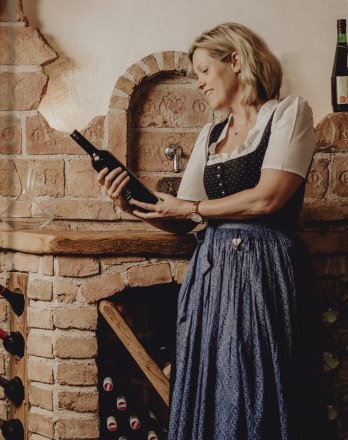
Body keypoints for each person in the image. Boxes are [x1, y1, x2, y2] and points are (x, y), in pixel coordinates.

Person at [98, 23, 326, 439]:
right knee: (212, 385)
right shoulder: (211, 135)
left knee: (260, 385)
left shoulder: (288, 114)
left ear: (235, 61)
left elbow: (268, 198)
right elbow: (182, 219)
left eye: (204, 70)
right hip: (212, 275)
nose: (199, 83)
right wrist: (130, 205)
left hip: (264, 271)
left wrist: (192, 208)